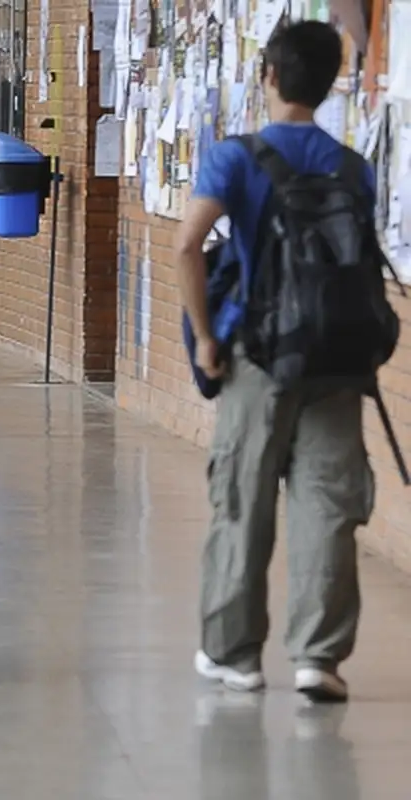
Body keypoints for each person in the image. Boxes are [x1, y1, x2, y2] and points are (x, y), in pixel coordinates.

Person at [172, 21, 376, 703]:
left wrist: (205, 337)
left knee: (243, 497)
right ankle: (319, 656)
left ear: (267, 77)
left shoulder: (236, 158)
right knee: (327, 504)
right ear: (329, 83)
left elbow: (186, 247)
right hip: (338, 359)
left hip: (257, 355)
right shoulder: (355, 168)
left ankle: (234, 654)